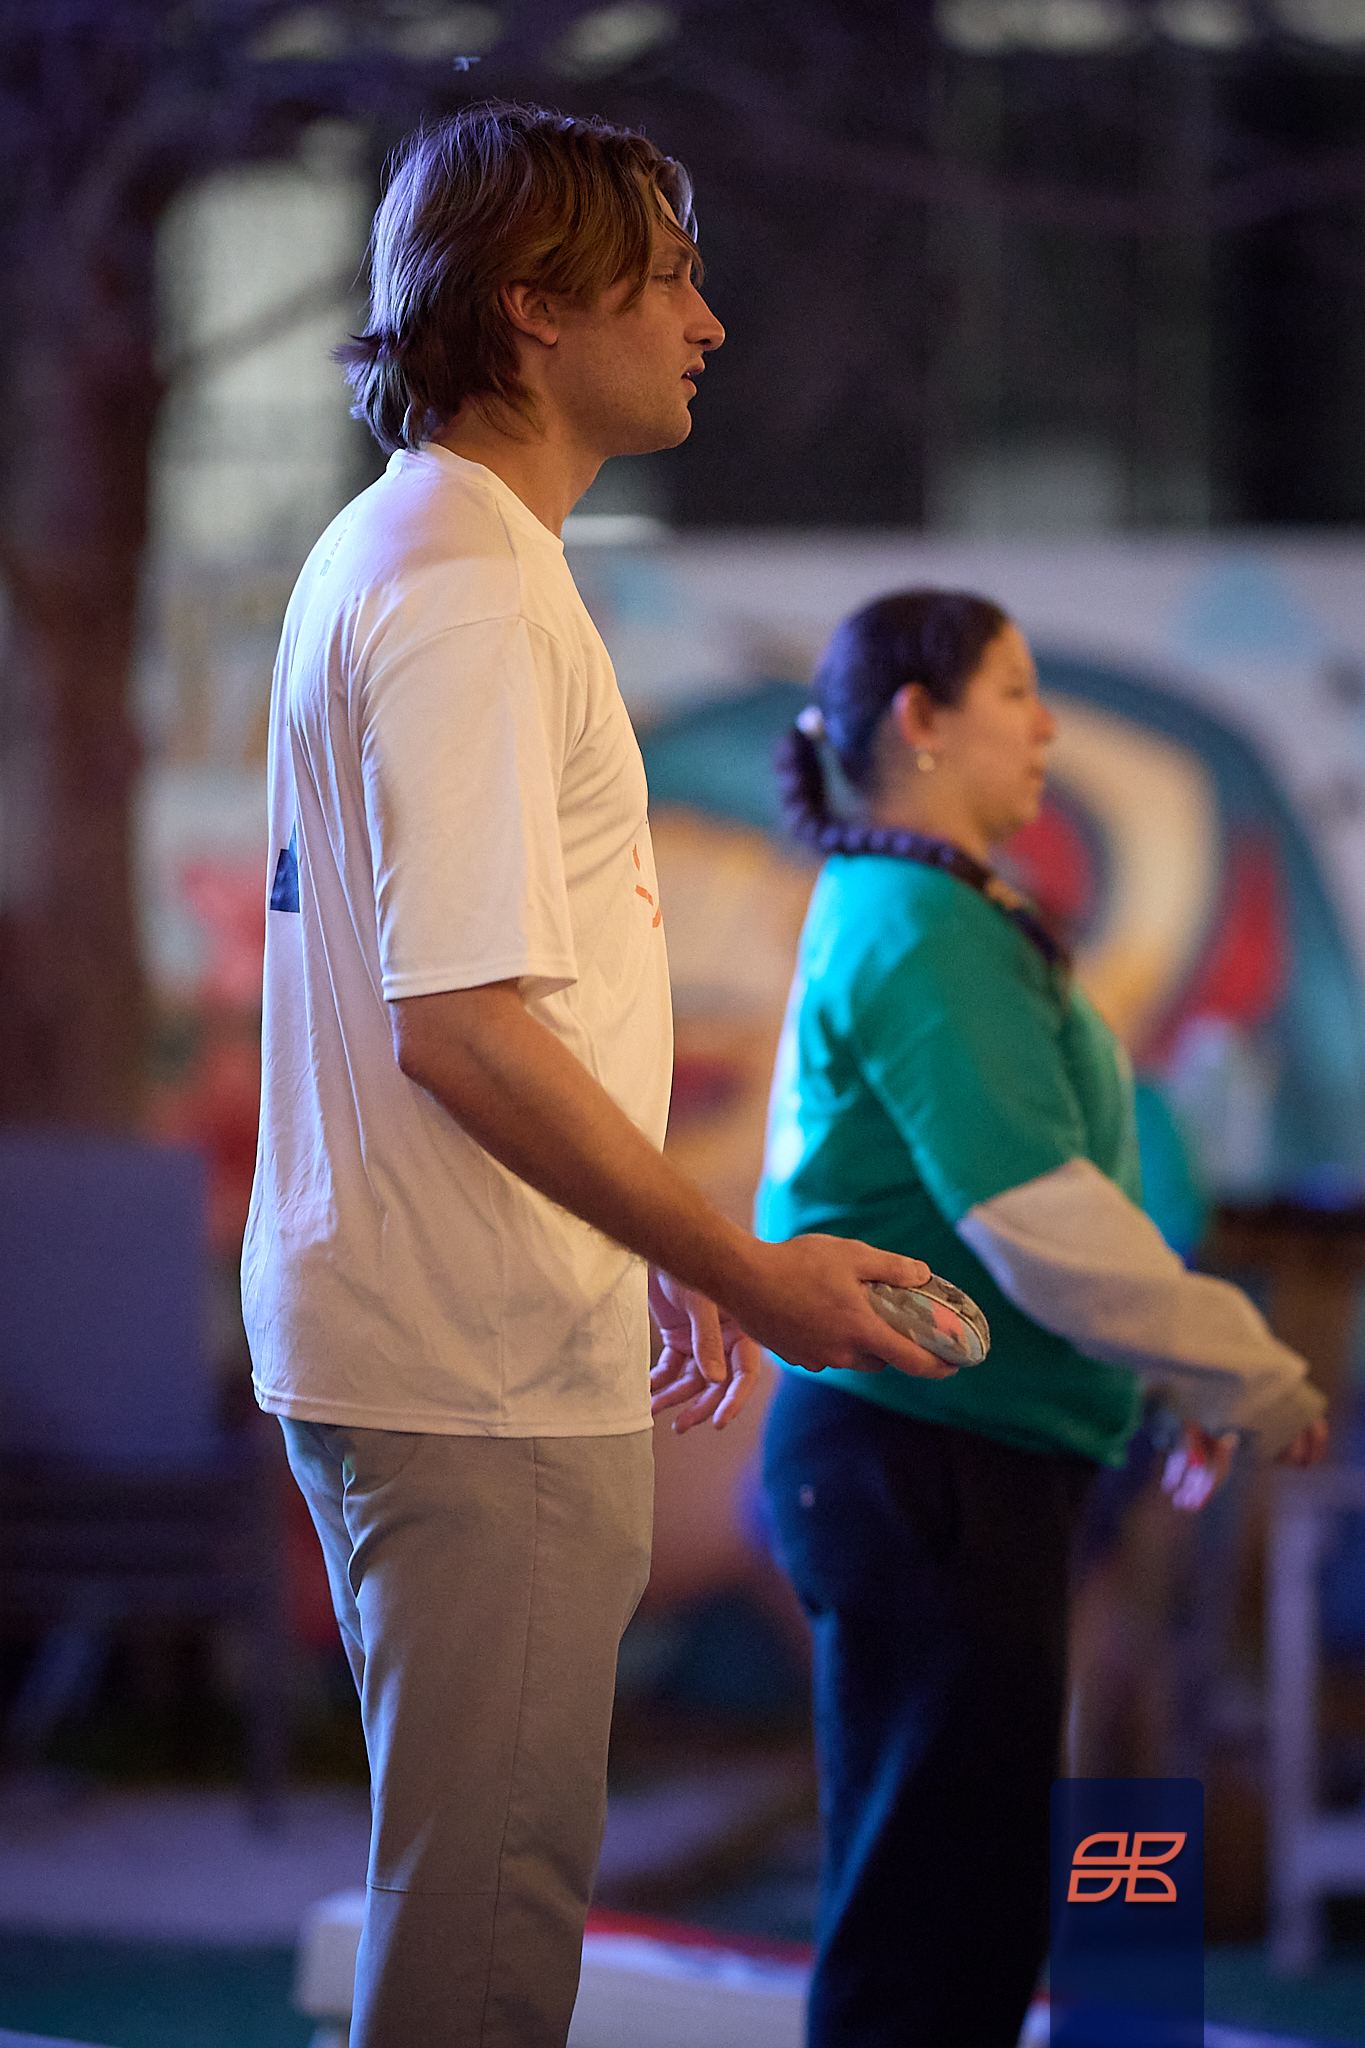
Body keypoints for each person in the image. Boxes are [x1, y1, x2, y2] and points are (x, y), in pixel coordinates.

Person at [241, 107, 947, 2048]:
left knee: (466, 1897)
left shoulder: (407, 549)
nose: (708, 323)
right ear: (536, 308)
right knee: (484, 1934)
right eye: (669, 281)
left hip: (437, 1326)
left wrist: (621, 1238)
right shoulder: (466, 581)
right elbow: (459, 1024)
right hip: (469, 1366)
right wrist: (735, 1263)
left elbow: (468, 1014)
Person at [753, 588, 1328, 2048]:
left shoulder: (942, 910)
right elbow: (1039, 1225)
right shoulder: (917, 921)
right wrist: (1244, 1371)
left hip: (980, 1453)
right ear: (919, 720)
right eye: (1012, 691)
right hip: (927, 1455)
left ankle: (1124, 2004)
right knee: (936, 1925)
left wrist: (1171, 1377)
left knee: (971, 1898)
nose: (1046, 725)